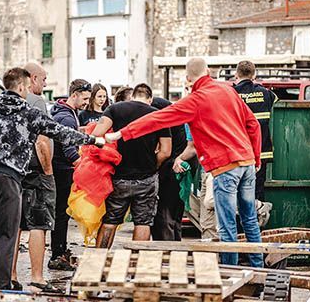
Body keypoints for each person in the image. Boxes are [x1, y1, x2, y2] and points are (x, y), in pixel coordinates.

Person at [0, 68, 103, 302]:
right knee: (6, 236)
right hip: (9, 178)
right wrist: (93, 140)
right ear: (23, 87)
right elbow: (60, 132)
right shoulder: (28, 112)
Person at [103, 58, 264, 267]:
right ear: (208, 71)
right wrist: (256, 157)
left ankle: (231, 272)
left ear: (188, 79)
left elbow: (157, 119)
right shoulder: (228, 91)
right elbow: (253, 124)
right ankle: (258, 270)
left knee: (227, 226)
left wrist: (121, 134)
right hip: (247, 162)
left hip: (226, 167)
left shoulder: (195, 100)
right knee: (250, 219)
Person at [90, 83, 171, 248]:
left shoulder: (115, 109)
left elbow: (97, 134)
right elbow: (166, 151)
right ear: (150, 99)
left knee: (110, 220)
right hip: (146, 178)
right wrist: (152, 165)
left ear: (133, 95)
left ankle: (98, 258)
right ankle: (137, 262)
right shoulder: (157, 115)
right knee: (143, 222)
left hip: (118, 177)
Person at [11, 61, 57, 292]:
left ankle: (10, 275)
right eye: (44, 78)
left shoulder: (7, 99)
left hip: (13, 171)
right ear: (33, 78)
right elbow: (41, 140)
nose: (45, 83)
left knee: (14, 225)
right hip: (35, 172)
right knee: (38, 223)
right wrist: (48, 171)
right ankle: (38, 277)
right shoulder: (36, 102)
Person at [48, 78, 92, 271]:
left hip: (58, 168)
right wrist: (85, 170)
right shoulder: (66, 117)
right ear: (74, 95)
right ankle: (57, 255)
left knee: (60, 213)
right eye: (84, 98)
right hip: (62, 170)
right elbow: (69, 151)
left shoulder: (63, 111)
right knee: (61, 214)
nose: (86, 103)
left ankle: (60, 250)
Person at [233, 60, 277, 201]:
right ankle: (256, 222)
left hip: (237, 154)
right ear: (254, 75)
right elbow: (275, 99)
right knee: (257, 193)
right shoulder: (265, 93)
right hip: (260, 153)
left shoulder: (231, 94)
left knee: (235, 194)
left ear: (236, 75)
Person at [150, 95, 187, 241]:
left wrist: (154, 167)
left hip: (168, 170)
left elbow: (164, 151)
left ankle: (165, 252)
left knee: (163, 215)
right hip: (178, 168)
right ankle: (176, 249)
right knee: (174, 216)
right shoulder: (173, 114)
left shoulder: (160, 113)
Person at [174, 125, 218, 241]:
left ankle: (212, 255)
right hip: (236, 166)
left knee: (209, 218)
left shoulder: (193, 116)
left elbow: (192, 148)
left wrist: (179, 159)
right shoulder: (230, 110)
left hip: (213, 169)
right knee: (213, 220)